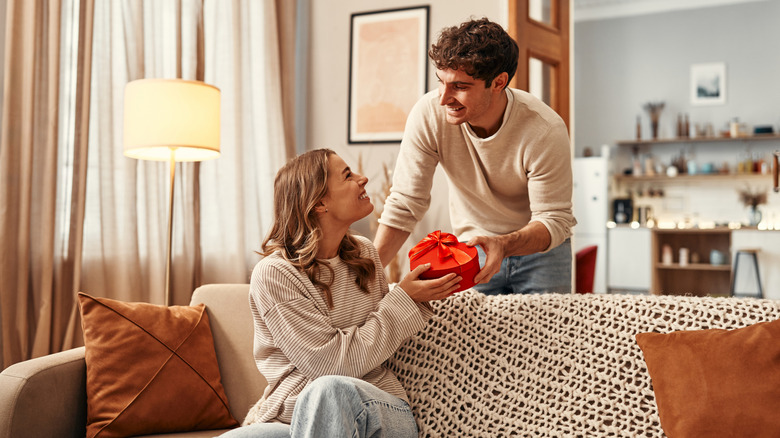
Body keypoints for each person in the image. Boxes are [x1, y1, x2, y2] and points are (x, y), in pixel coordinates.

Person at [220, 149, 461, 438]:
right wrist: (404, 301)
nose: (363, 179)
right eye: (348, 175)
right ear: (319, 202)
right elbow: (329, 363)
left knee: (329, 391)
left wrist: (413, 298)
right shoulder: (276, 274)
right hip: (293, 418)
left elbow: (338, 371)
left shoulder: (365, 254)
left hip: (379, 409)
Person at [374, 17, 576, 295]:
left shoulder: (544, 129)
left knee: (549, 339)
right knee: (474, 339)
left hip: (542, 253)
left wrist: (504, 245)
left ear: (498, 82)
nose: (444, 98)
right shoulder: (429, 114)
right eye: (441, 83)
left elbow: (553, 219)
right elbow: (405, 203)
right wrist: (366, 278)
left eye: (460, 86)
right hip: (471, 250)